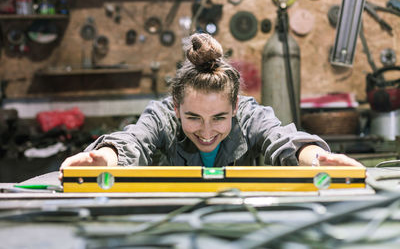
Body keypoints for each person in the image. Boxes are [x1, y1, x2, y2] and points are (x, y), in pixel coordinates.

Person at [59, 33, 363, 174]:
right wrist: (106, 158)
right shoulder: (162, 116)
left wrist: (315, 159)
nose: (206, 132)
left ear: (235, 108)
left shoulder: (249, 115)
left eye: (219, 117)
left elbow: (282, 139)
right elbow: (134, 140)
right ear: (176, 108)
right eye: (192, 117)